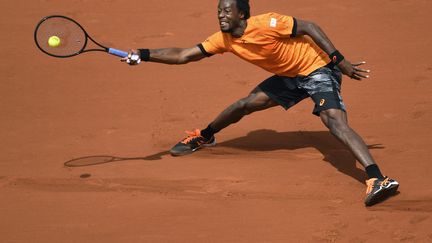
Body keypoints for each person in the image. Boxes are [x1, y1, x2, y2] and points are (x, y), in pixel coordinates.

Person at [122, 0, 399, 206]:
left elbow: (310, 27)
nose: (221, 14)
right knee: (245, 104)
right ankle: (205, 136)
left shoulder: (266, 23)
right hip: (290, 76)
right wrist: (143, 54)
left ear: (241, 13)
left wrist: (340, 61)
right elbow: (183, 55)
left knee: (334, 122)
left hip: (317, 69)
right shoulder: (225, 39)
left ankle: (377, 178)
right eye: (218, 10)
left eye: (226, 10)